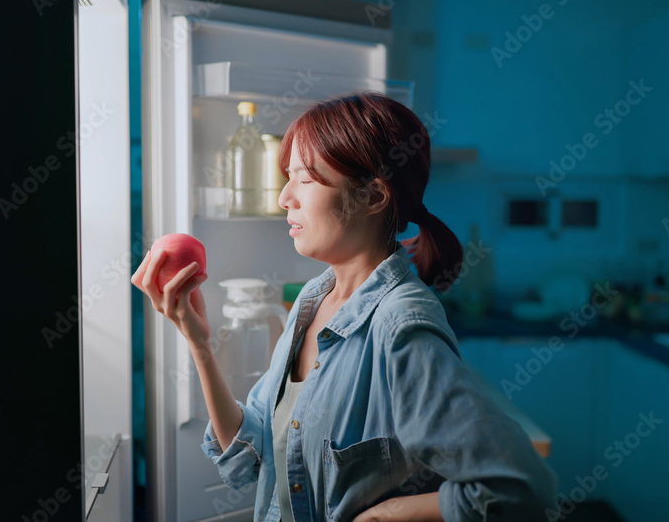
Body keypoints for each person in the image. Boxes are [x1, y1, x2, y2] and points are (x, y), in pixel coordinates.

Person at [132, 93, 559, 522]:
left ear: (374, 196)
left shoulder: (400, 326)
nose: (284, 197)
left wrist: (388, 513)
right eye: (287, 177)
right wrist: (197, 339)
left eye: (305, 178)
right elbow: (251, 451)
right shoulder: (311, 301)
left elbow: (521, 489)